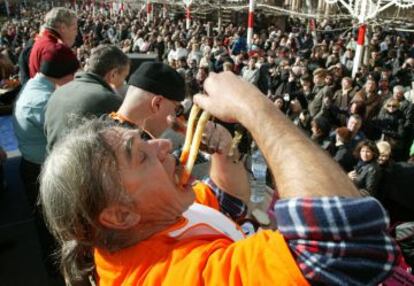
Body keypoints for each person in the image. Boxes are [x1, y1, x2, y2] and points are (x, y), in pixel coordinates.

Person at [40, 72, 401, 285]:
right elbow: (347, 250)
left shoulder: (148, 220)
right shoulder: (177, 278)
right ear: (119, 215)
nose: (163, 145)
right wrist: (257, 110)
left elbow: (222, 198)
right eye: (140, 155)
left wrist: (223, 154)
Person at [12, 44, 78, 284]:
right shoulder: (45, 101)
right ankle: (61, 274)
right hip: (41, 171)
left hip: (32, 165)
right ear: (64, 73)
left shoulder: (34, 85)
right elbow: (67, 138)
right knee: (53, 228)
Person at [45, 44, 130, 152]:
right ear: (113, 74)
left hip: (53, 163)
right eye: (124, 77)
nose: (123, 82)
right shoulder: (108, 99)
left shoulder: (58, 92)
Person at [29, 7, 79, 78]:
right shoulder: (57, 49)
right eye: (74, 28)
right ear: (63, 28)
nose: (76, 33)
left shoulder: (40, 41)